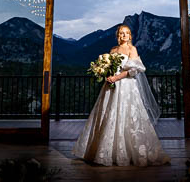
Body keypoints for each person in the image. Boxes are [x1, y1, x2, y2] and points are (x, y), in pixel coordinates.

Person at [72, 24, 171, 166]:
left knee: (128, 115)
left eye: (127, 33)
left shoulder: (132, 49)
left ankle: (129, 152)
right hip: (110, 87)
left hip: (126, 87)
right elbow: (110, 67)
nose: (124, 35)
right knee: (108, 114)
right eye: (121, 33)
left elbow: (133, 70)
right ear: (118, 35)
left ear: (130, 35)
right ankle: (106, 152)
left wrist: (116, 78)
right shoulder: (113, 50)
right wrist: (105, 73)